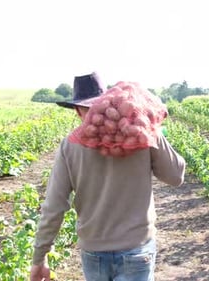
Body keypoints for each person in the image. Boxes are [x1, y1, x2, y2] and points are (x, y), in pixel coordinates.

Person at [30, 72, 186, 281]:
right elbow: (176, 176)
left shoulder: (70, 146)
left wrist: (39, 258)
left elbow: (54, 207)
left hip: (94, 253)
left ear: (77, 110)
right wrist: (153, 131)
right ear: (106, 102)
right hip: (136, 249)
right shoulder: (140, 134)